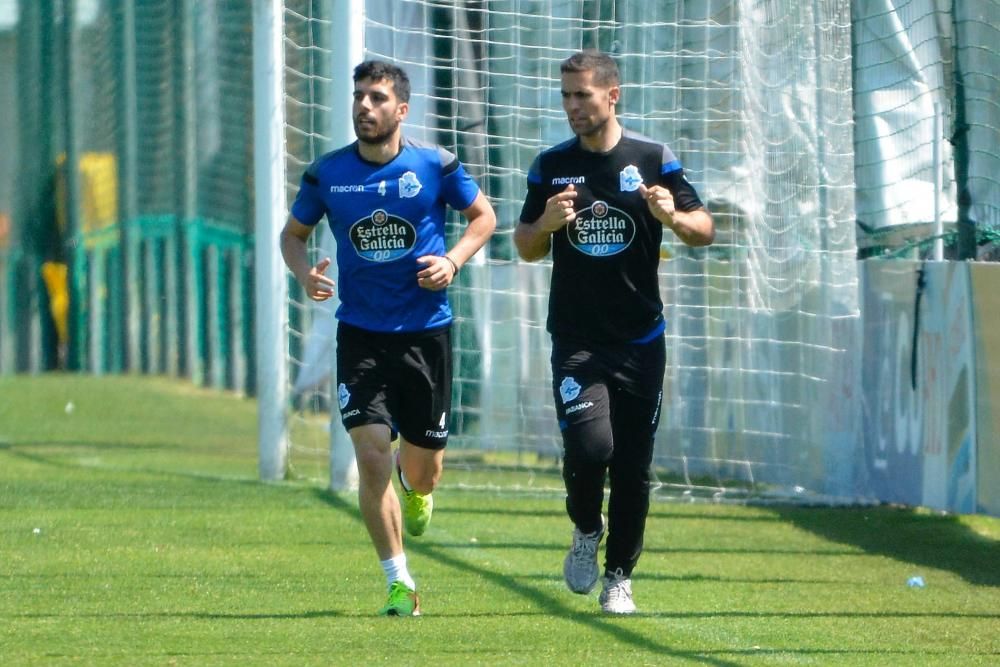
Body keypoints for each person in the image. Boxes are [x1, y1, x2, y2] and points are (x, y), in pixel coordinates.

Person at [280, 60, 496, 617]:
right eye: (358, 96)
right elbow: (293, 236)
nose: (364, 107)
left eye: (376, 98)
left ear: (401, 110)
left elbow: (483, 218)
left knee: (421, 469)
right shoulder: (328, 173)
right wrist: (306, 274)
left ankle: (418, 487)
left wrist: (452, 261)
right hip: (360, 336)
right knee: (371, 456)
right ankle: (399, 584)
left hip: (427, 335)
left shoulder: (435, 165)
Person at [514, 51, 714, 614]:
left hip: (641, 341)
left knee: (632, 463)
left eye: (582, 95)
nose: (573, 107)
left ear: (612, 95)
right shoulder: (551, 166)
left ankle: (620, 576)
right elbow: (525, 246)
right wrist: (546, 226)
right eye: (566, 96)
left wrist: (672, 217)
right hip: (577, 339)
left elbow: (705, 229)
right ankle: (585, 528)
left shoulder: (652, 158)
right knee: (590, 445)